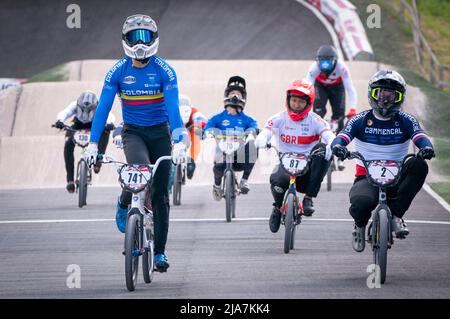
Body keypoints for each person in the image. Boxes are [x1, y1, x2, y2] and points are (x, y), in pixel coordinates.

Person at [83, 14, 187, 272]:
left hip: (161, 134)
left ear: (154, 39)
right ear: (125, 40)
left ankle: (160, 253)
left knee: (161, 195)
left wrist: (180, 141)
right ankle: (123, 200)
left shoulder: (165, 71)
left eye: (145, 36)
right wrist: (93, 144)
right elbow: (102, 109)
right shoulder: (117, 71)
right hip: (134, 134)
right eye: (134, 36)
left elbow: (174, 112)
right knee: (138, 174)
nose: (140, 42)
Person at [331, 70, 435, 252]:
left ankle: (396, 215)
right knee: (360, 204)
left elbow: (420, 136)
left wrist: (426, 148)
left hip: (397, 175)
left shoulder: (407, 120)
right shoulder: (360, 119)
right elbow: (342, 136)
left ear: (400, 98)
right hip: (366, 176)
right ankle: (360, 225)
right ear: (372, 94)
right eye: (380, 94)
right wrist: (338, 147)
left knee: (419, 164)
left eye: (391, 95)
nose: (385, 100)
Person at [255, 79, 335, 233]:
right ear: (288, 100)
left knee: (324, 150)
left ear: (309, 103)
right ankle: (277, 208)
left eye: (300, 102)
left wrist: (332, 144)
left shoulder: (316, 121)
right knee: (277, 182)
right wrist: (262, 139)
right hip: (286, 165)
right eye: (293, 100)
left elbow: (328, 135)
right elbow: (266, 131)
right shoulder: (279, 118)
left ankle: (308, 198)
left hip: (308, 169)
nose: (296, 105)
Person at [204, 76, 259, 198]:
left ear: (243, 98)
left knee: (254, 145)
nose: (235, 96)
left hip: (240, 155)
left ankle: (244, 180)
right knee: (218, 164)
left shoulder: (247, 119)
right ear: (227, 96)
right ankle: (217, 186)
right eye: (232, 93)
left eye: (238, 94)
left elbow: (254, 127)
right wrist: (208, 132)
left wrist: (251, 133)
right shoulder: (218, 117)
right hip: (222, 152)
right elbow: (208, 126)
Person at [306, 44, 358, 170]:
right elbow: (307, 88)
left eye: (328, 63)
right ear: (317, 62)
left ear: (335, 61)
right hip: (320, 87)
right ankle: (313, 147)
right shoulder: (313, 69)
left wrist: (353, 109)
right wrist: (305, 107)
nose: (325, 66)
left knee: (339, 117)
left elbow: (350, 89)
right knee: (317, 115)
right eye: (322, 63)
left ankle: (340, 154)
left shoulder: (342, 68)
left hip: (337, 88)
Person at [54, 91, 115, 193]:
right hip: (78, 124)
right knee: (68, 144)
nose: (86, 111)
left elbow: (109, 115)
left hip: (94, 124)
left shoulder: (100, 105)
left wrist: (110, 123)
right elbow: (65, 112)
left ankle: (98, 160)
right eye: (83, 109)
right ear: (79, 104)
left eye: (90, 109)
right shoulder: (74, 104)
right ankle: (70, 180)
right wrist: (60, 121)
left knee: (105, 132)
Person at [178, 94, 207, 179]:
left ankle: (192, 160)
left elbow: (202, 119)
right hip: (175, 129)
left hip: (189, 129)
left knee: (196, 132)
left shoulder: (194, 111)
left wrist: (204, 129)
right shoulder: (170, 110)